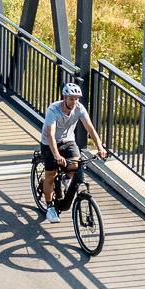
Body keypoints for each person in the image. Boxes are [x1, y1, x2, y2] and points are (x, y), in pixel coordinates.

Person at [38, 82, 105, 222]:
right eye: (71, 98)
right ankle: (50, 207)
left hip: (68, 140)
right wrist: (56, 155)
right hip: (50, 143)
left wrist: (100, 147)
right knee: (51, 174)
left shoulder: (79, 108)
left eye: (77, 98)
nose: (74, 101)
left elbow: (90, 128)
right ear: (65, 97)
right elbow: (50, 134)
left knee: (75, 165)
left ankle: (65, 179)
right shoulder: (53, 110)